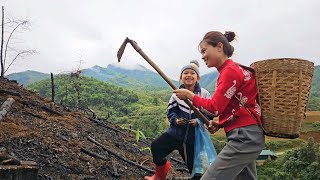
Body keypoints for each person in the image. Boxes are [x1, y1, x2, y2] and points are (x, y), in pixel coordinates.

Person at [174, 31, 265, 180]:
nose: (202, 56)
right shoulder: (232, 70)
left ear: (219, 47)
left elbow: (214, 107)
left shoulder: (229, 71)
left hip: (244, 137)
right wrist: (220, 123)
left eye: (204, 50)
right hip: (248, 135)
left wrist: (190, 95)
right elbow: (236, 107)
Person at [145, 60, 214, 180]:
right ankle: (159, 176)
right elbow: (170, 112)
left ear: (198, 77)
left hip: (193, 139)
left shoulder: (204, 94)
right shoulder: (175, 94)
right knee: (156, 147)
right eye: (185, 73)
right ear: (181, 78)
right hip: (175, 133)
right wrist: (176, 120)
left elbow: (211, 113)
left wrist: (198, 121)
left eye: (192, 73)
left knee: (194, 168)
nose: (188, 75)